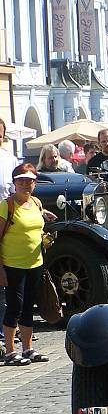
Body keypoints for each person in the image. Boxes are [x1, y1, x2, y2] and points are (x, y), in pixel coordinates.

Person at [0, 164, 57, 365]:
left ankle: (28, 349)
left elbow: (35, 228)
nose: (26, 184)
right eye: (21, 180)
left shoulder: (36, 203)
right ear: (14, 183)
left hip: (35, 263)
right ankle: (9, 351)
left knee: (28, 307)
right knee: (14, 306)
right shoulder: (6, 206)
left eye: (30, 180)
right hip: (13, 264)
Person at [0, 119, 16, 343]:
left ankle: (5, 331)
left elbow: (15, 192)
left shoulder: (9, 159)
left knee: (5, 280)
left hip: (6, 222)